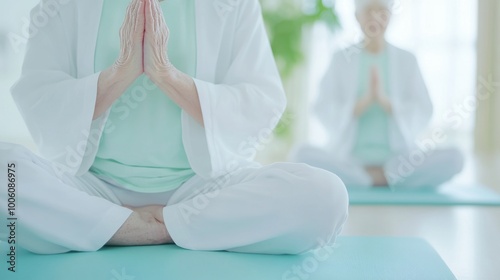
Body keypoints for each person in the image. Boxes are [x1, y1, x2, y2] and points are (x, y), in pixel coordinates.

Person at [0, 0, 348, 254]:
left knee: (325, 197)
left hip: (202, 190)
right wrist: (121, 72)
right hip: (89, 185)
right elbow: (38, 94)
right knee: (6, 175)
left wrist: (167, 75)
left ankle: (142, 224)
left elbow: (261, 100)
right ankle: (140, 226)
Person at [293, 0, 464, 189]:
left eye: (381, 11)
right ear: (357, 17)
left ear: (391, 16)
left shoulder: (407, 59)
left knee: (455, 158)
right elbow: (322, 107)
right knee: (301, 154)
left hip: (399, 160)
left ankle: (367, 179)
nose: (375, 18)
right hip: (350, 159)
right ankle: (378, 179)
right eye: (369, 11)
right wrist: (360, 104)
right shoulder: (341, 58)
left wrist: (386, 102)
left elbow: (424, 109)